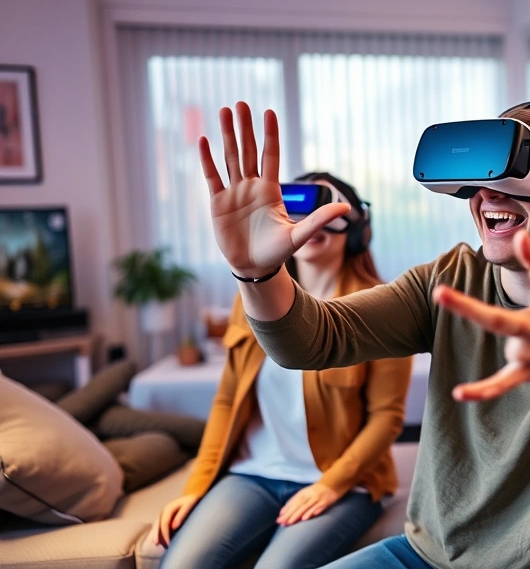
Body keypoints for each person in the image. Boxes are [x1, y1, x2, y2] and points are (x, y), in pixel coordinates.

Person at [197, 101, 530, 569]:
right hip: (428, 556)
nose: (490, 193)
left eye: (523, 174)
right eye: (486, 173)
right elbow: (310, 341)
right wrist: (257, 273)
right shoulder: (451, 279)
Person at [154, 172, 413, 569]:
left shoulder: (383, 307)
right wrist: (196, 487)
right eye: (295, 210)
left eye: (324, 209)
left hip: (345, 484)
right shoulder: (252, 299)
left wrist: (331, 485)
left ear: (357, 228)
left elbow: (387, 419)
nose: (309, 221)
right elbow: (226, 400)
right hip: (253, 474)